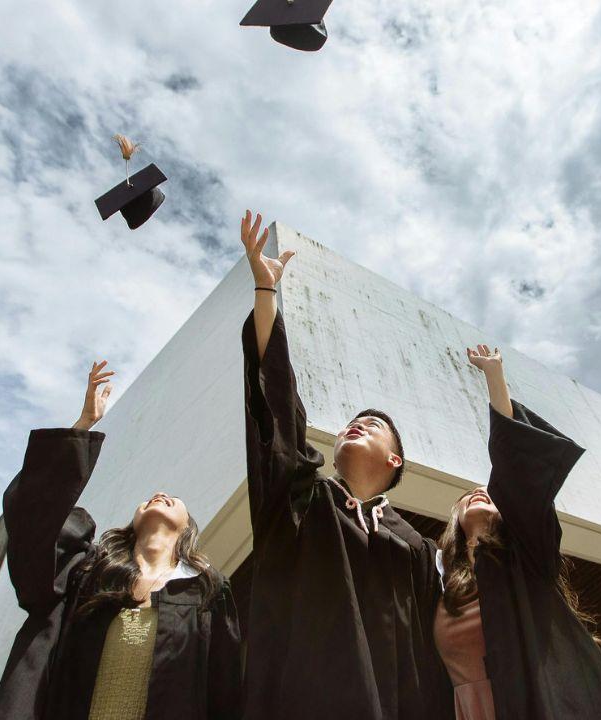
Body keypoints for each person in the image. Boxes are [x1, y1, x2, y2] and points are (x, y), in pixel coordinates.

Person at [237, 210, 451, 720]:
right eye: (350, 423)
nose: (354, 425)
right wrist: (266, 295)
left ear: (394, 459)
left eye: (371, 426)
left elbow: (431, 655)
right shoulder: (302, 500)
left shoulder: (416, 549)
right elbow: (279, 417)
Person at [0, 361, 243, 720]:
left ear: (187, 527)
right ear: (132, 522)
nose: (159, 493)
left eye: (172, 497)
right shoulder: (86, 572)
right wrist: (82, 427)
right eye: (149, 497)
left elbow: (225, 692)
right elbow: (33, 524)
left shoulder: (208, 592)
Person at [434, 344, 601, 720]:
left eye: (490, 494)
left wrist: (495, 378)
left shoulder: (527, 557)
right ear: (454, 518)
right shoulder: (440, 581)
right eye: (467, 497)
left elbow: (517, 470)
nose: (479, 493)